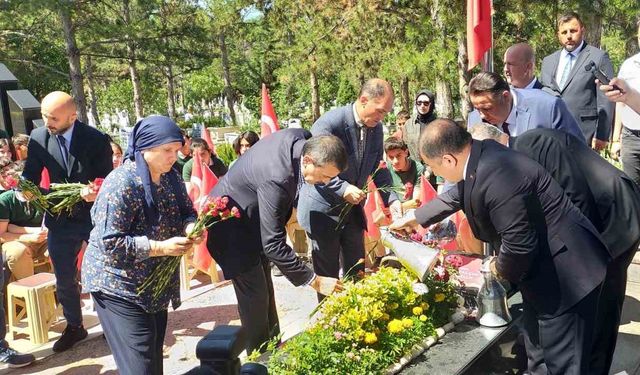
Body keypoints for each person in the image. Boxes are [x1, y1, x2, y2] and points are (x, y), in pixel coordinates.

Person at [390, 119, 610, 374]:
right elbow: (458, 193)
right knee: (537, 356)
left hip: (567, 274)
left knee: (564, 364)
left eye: (433, 167)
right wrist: (417, 217)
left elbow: (518, 246)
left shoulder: (499, 178)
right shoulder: (479, 154)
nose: (436, 174)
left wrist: (495, 268)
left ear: (449, 159)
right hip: (542, 270)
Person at [470, 123, 640, 374]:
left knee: (600, 308)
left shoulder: (536, 143)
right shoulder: (510, 164)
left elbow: (577, 200)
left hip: (612, 222)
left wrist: (581, 258)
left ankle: (594, 367)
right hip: (592, 225)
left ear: (496, 145)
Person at [207, 129, 347, 354]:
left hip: (254, 222)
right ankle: (257, 363)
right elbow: (273, 244)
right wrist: (314, 280)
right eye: (325, 176)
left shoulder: (301, 141)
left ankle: (274, 353)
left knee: (266, 296)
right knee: (255, 302)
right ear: (309, 160)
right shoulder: (278, 178)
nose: (325, 182)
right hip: (230, 230)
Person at [82, 115, 198, 375]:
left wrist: (192, 228)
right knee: (140, 365)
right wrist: (160, 247)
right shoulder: (121, 184)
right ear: (145, 148)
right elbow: (109, 244)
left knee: (152, 358)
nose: (174, 156)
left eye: (177, 150)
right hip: (117, 285)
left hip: (153, 284)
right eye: (167, 150)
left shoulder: (171, 178)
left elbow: (187, 211)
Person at [22, 91, 113, 352]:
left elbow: (106, 178)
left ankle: (111, 322)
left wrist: (93, 190)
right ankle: (75, 325)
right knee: (63, 277)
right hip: (59, 218)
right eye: (43, 116)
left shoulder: (95, 139)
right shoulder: (38, 138)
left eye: (52, 118)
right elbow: (30, 175)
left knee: (102, 271)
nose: (46, 122)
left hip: (92, 216)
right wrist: (25, 189)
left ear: (72, 117)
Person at [297, 79, 401, 298]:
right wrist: (343, 187)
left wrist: (392, 198)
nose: (382, 117)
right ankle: (331, 327)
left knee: (357, 271)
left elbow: (377, 166)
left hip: (353, 211)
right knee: (328, 278)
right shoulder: (329, 124)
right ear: (364, 100)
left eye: (386, 113)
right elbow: (315, 166)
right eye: (380, 111)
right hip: (322, 210)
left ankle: (357, 319)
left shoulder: (376, 128)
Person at [540, 11, 614, 151]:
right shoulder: (548, 61)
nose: (569, 35)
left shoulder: (598, 57)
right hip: (552, 134)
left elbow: (606, 99)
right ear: (558, 35)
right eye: (564, 32)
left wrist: (602, 134)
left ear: (582, 30)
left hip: (585, 133)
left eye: (573, 30)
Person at [468, 72, 584, 141]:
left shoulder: (548, 107)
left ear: (506, 97)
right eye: (477, 108)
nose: (481, 115)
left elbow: (577, 151)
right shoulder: (475, 119)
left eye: (487, 108)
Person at [0, 161, 48, 281]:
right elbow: (1, 235)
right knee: (18, 252)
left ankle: (59, 289)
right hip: (17, 241)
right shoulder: (5, 201)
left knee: (61, 246)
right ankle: (31, 288)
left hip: (44, 239)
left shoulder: (44, 195)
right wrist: (29, 237)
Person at [609, 21, 640, 184]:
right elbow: (620, 103)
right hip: (630, 137)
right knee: (631, 192)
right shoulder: (629, 65)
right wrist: (616, 139)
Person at [384, 137, 424, 212]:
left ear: (406, 152)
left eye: (398, 155)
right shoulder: (385, 169)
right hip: (392, 208)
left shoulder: (418, 168)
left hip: (411, 210)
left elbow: (416, 201)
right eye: (391, 157)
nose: (395, 161)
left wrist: (397, 208)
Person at [403, 89, 437, 162]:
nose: (422, 106)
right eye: (419, 102)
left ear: (431, 104)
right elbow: (404, 148)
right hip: (414, 169)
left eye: (426, 103)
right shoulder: (409, 124)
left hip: (435, 169)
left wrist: (429, 170)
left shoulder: (439, 124)